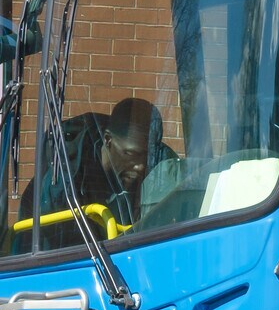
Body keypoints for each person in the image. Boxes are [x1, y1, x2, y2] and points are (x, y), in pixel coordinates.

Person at [31, 96, 173, 227]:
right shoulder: (63, 182)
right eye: (130, 154)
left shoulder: (162, 165)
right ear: (108, 140)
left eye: (147, 156)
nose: (141, 166)